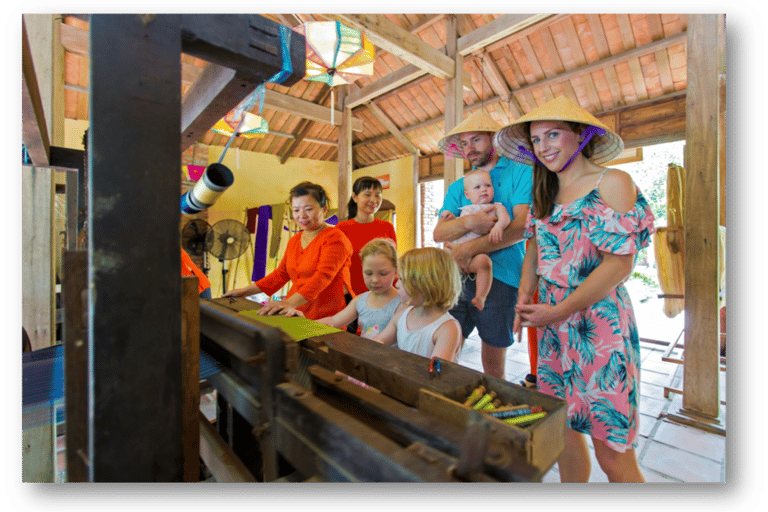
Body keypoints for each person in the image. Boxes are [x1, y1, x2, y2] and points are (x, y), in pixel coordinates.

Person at [496, 95, 655, 482]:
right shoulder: (543, 192)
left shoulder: (612, 182)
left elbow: (619, 263)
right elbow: (533, 251)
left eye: (554, 135)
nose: (544, 146)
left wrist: (562, 309)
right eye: (536, 139)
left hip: (598, 324)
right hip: (552, 327)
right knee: (562, 435)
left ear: (582, 137)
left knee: (612, 451)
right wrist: (522, 298)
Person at [433, 109, 533, 379]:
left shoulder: (521, 172)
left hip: (503, 276)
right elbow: (440, 233)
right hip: (457, 277)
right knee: (447, 349)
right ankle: (447, 404)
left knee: (493, 362)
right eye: (464, 144)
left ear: (494, 139)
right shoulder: (459, 186)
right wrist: (468, 223)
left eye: (476, 140)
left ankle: (493, 413)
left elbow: (521, 226)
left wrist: (467, 249)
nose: (469, 149)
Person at [222, 181, 353, 320]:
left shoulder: (335, 238)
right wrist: (244, 291)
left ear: (324, 210)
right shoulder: (295, 240)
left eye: (308, 209)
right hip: (296, 310)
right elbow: (281, 274)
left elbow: (323, 276)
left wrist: (287, 303)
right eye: (296, 210)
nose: (301, 215)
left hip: (326, 314)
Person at [375, 248, 463, 362]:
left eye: (402, 279)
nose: (396, 284)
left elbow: (436, 373)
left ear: (425, 285)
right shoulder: (401, 316)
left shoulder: (447, 328)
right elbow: (378, 343)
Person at [439, 169, 510, 311]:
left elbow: (505, 218)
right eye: (477, 187)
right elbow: (458, 225)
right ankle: (440, 291)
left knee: (485, 263)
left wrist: (499, 227)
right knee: (440, 257)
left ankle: (481, 297)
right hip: (455, 251)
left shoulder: (495, 207)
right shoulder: (465, 208)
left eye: (487, 186)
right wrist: (450, 217)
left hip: (476, 255)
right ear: (467, 194)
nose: (484, 189)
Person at [335, 176, 397, 333]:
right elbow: (336, 266)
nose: (373, 200)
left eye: (377, 195)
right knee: (353, 341)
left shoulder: (387, 226)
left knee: (381, 338)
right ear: (355, 197)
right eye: (367, 194)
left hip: (383, 294)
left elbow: (393, 261)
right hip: (352, 296)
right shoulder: (342, 228)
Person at [314, 238, 402, 340]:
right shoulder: (359, 301)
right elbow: (333, 322)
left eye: (383, 274)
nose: (375, 280)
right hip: (363, 354)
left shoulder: (402, 303)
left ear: (396, 272)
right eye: (368, 273)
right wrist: (303, 325)